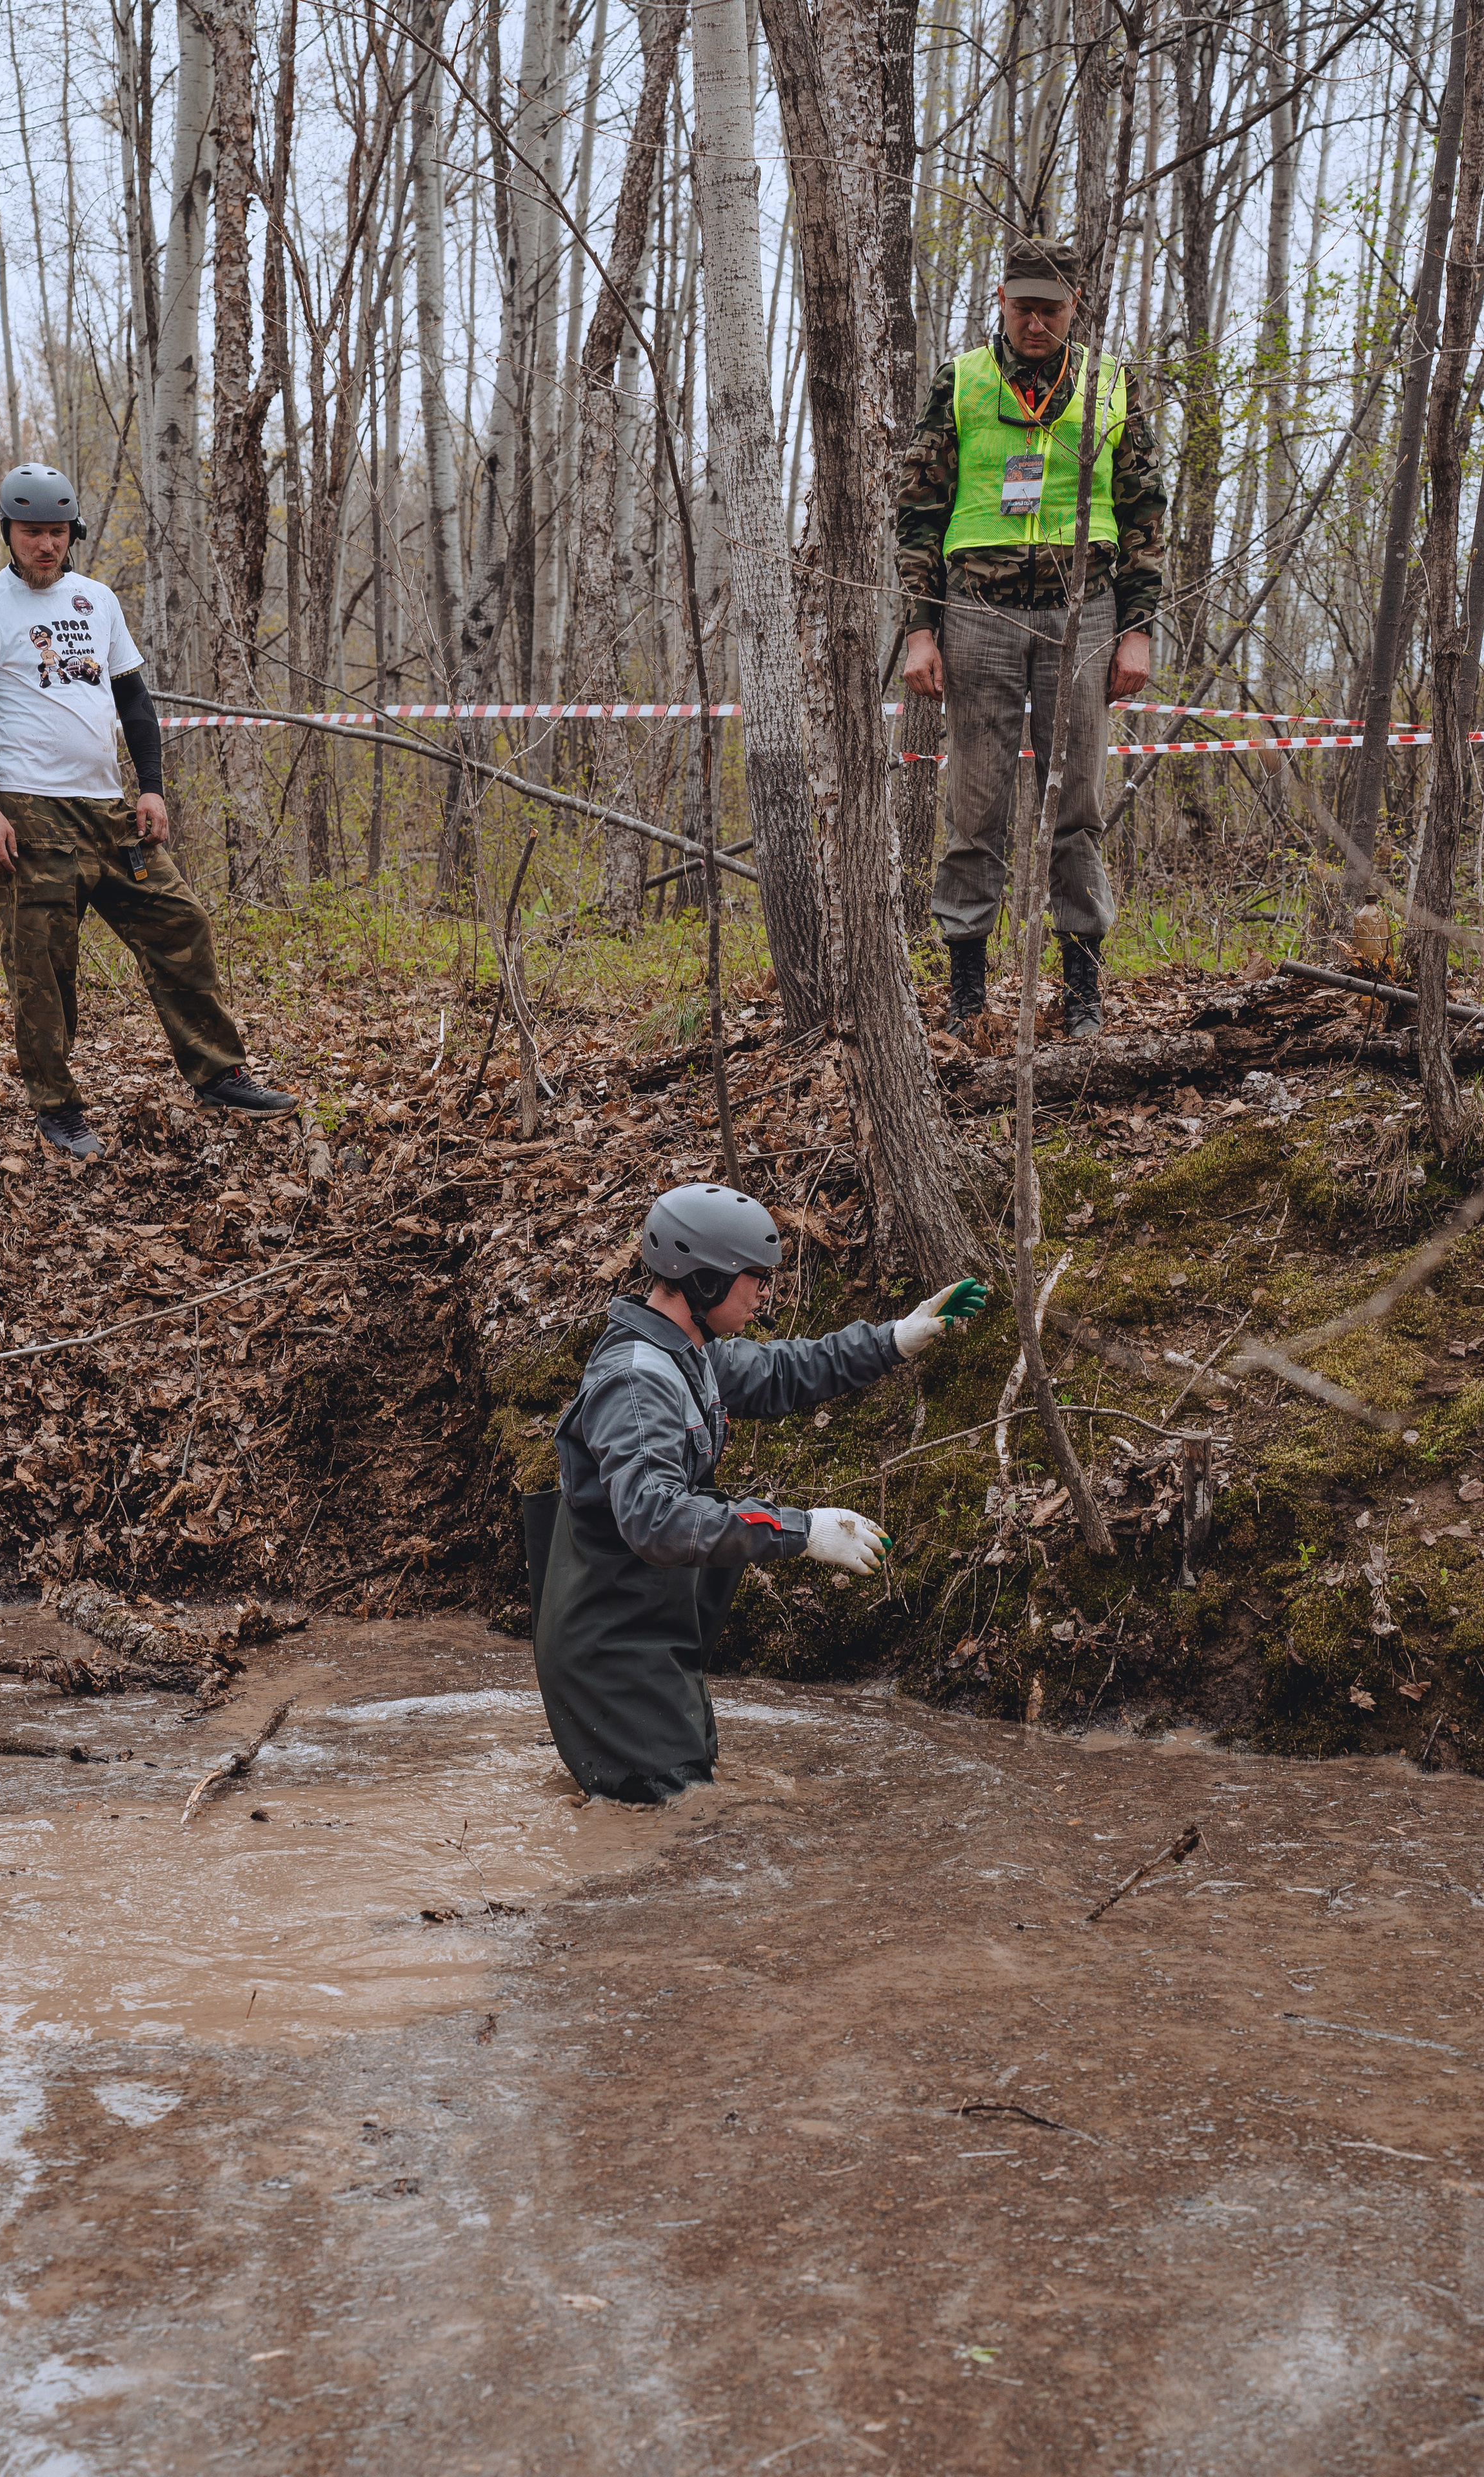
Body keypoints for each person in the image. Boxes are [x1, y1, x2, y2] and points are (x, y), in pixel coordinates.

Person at [528, 1183, 988, 1804]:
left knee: (679, 1807)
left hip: (649, 1635)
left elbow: (786, 1370)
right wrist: (802, 1531)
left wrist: (895, 1339)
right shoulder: (636, 1382)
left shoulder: (690, 1355)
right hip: (611, 1653)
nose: (766, 1294)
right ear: (707, 1281)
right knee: (670, 1824)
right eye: (755, 1278)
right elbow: (658, 1520)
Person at [0, 463, 298, 1160]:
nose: (44, 546)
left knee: (179, 921)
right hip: (30, 810)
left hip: (110, 807)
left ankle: (218, 1073)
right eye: (30, 533)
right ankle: (57, 1108)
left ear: (71, 533)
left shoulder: (96, 601)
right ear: (8, 534)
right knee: (44, 966)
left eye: (55, 533)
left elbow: (134, 702)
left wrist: (151, 787)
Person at [895, 237, 1168, 1039]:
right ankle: (968, 995)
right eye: (1023, 307)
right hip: (975, 610)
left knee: (1076, 804)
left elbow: (1146, 514)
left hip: (1082, 614)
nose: (1036, 322)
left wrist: (1136, 631)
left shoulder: (1112, 383)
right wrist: (920, 629)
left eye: (1051, 308)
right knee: (974, 807)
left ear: (1073, 306)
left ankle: (1081, 994)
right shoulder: (961, 381)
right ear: (1002, 304)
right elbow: (917, 509)